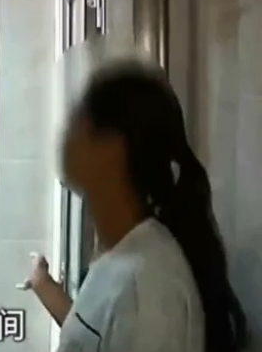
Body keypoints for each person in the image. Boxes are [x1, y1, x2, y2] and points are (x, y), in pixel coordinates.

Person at [22, 61, 249, 352]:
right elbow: (96, 337)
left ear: (111, 151)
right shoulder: (124, 253)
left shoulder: (150, 287)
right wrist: (44, 285)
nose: (63, 139)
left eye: (77, 126)